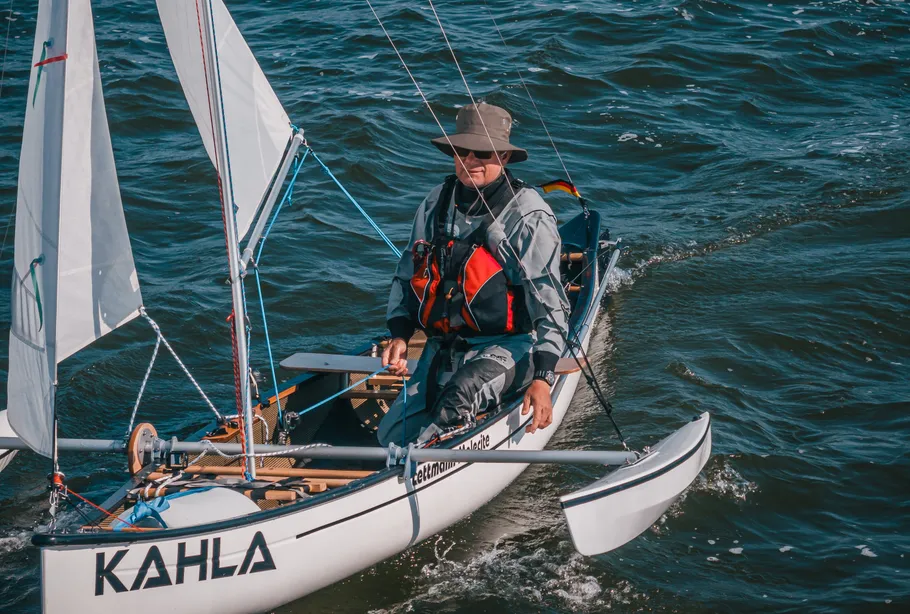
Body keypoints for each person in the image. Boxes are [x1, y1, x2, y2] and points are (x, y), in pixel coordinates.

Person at [377, 102, 569, 446]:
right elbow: (407, 275)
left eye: (482, 152)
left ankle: (434, 454)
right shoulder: (435, 202)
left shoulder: (529, 216)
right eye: (461, 151)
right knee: (388, 434)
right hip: (444, 346)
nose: (469, 160)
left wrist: (544, 377)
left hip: (513, 345)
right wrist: (400, 336)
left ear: (504, 157)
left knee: (461, 394)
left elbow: (551, 305)